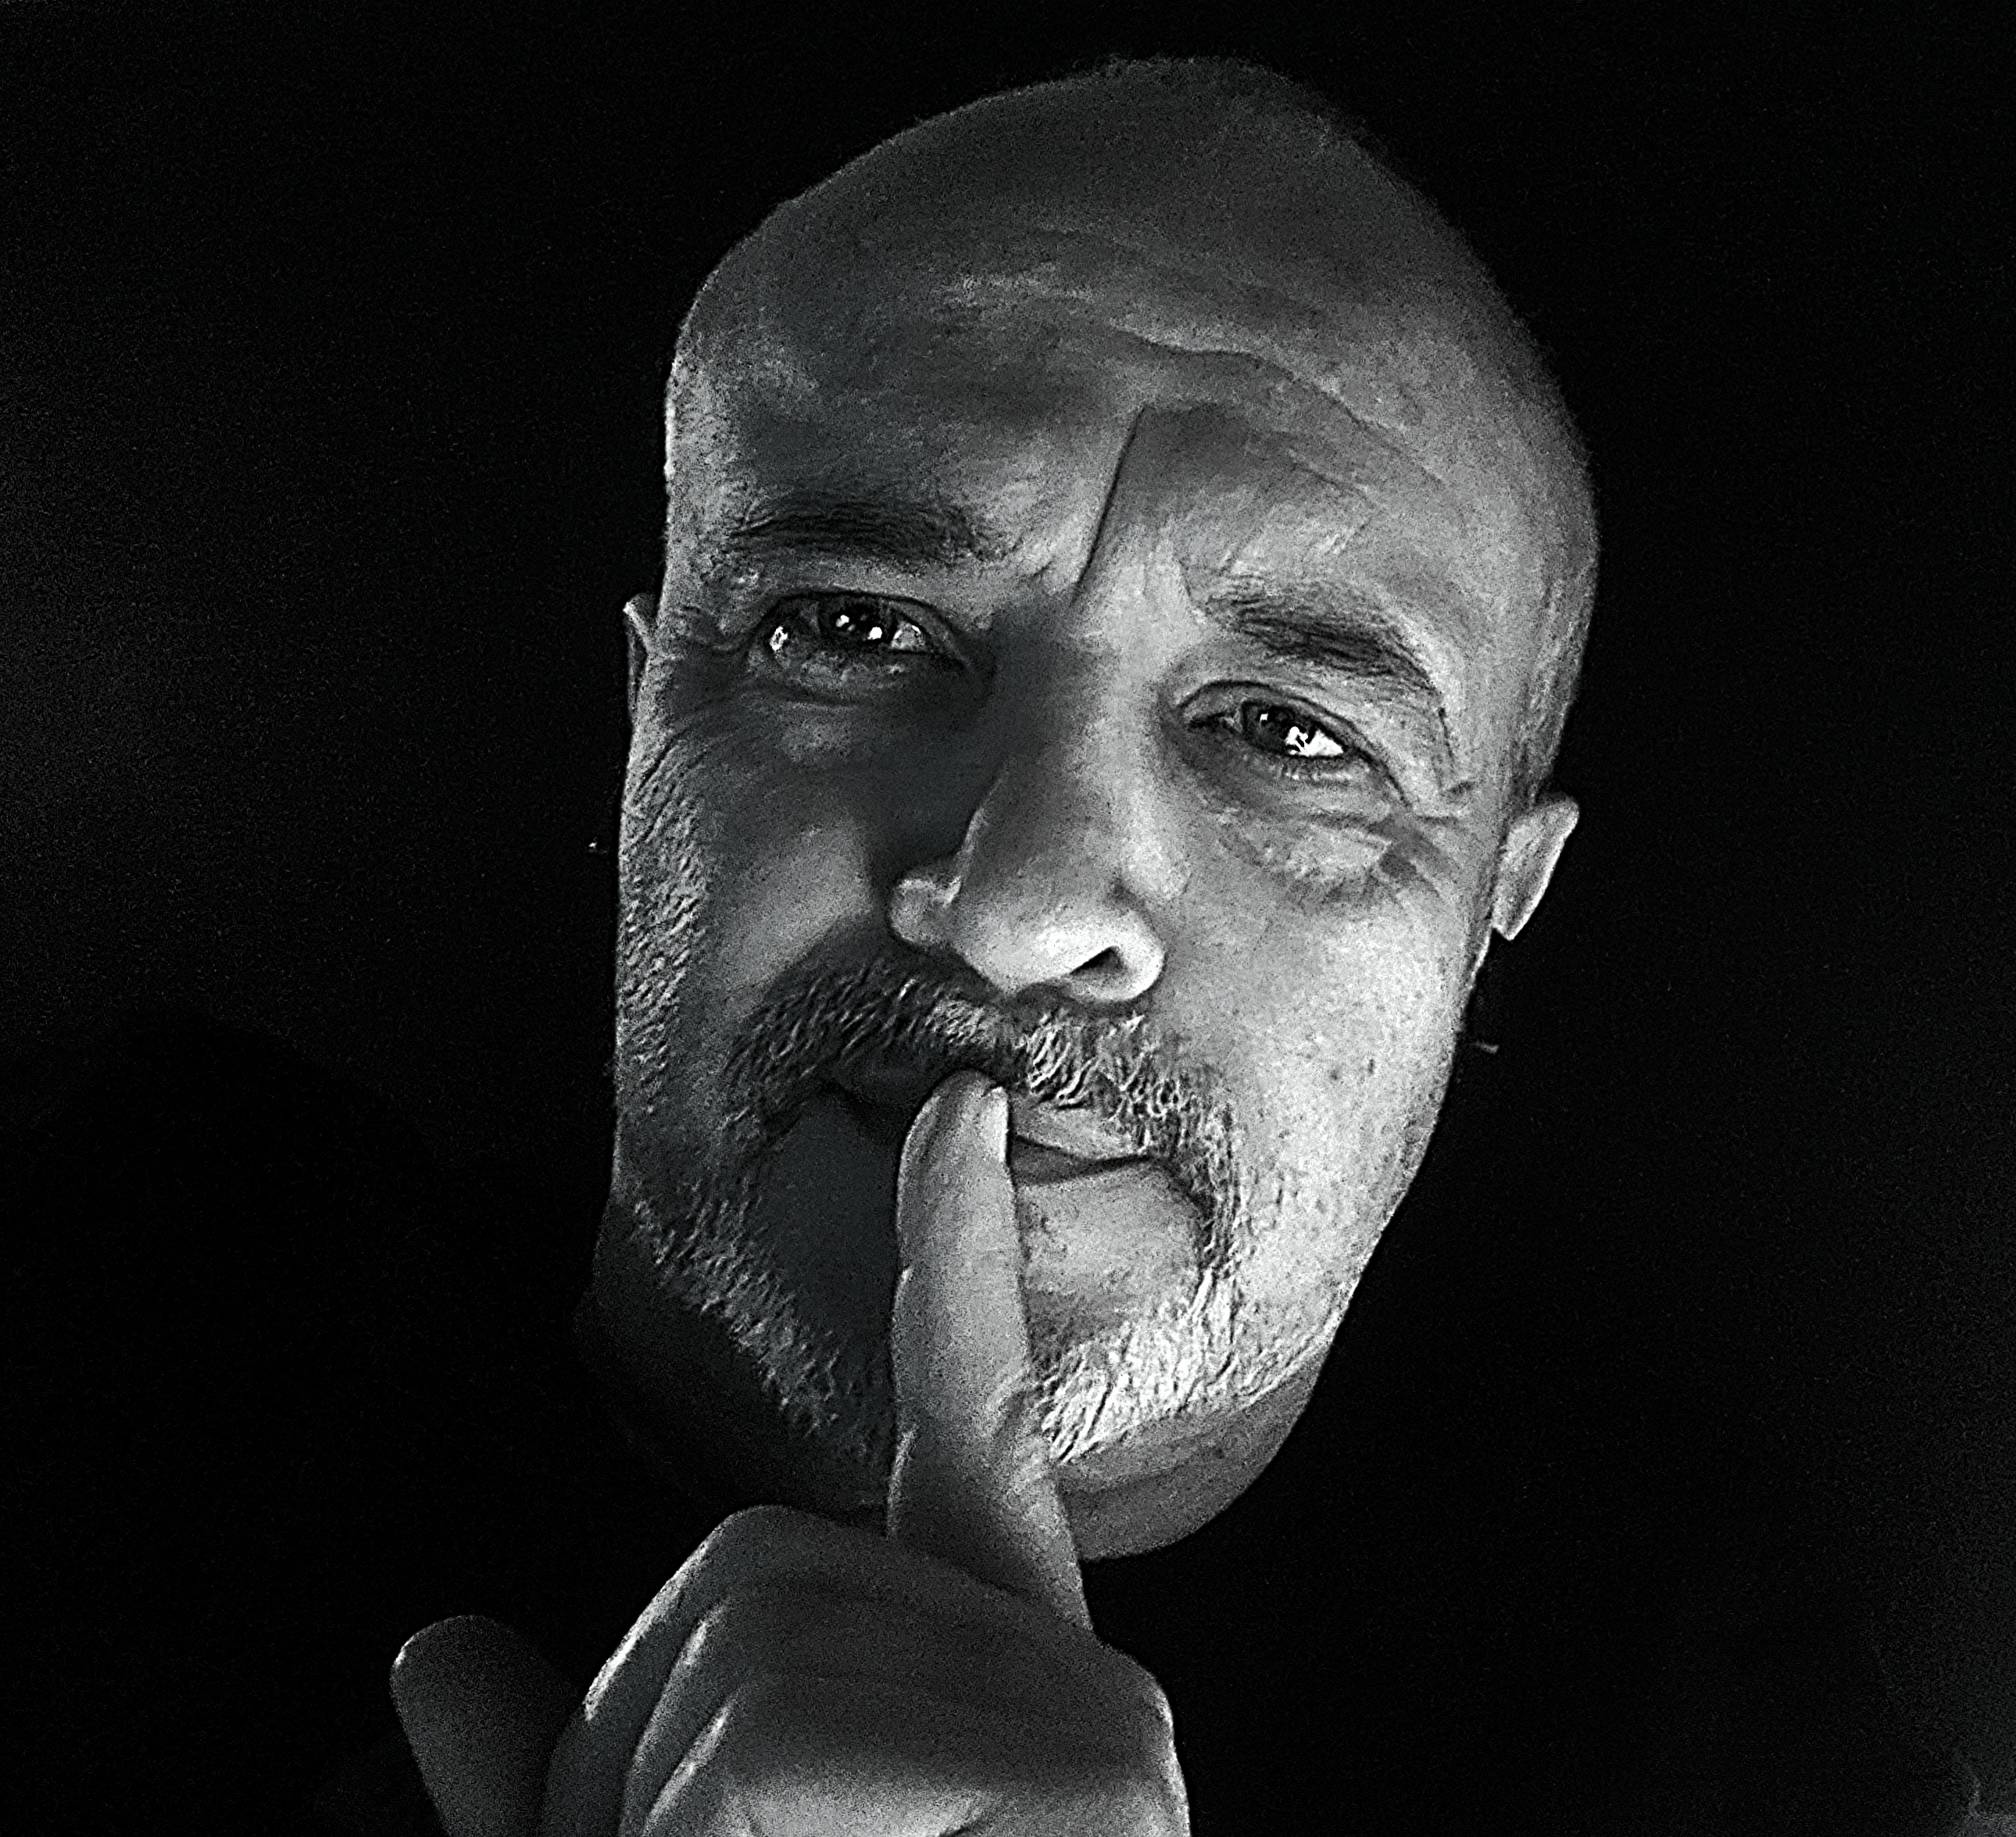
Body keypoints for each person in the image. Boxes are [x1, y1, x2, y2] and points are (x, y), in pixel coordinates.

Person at [374, 53, 2005, 1837]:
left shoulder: (1717, 1736)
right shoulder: (161, 1310)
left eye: (1290, 734)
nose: (1023, 915)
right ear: (646, 728)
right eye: (852, 630)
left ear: (1496, 907)